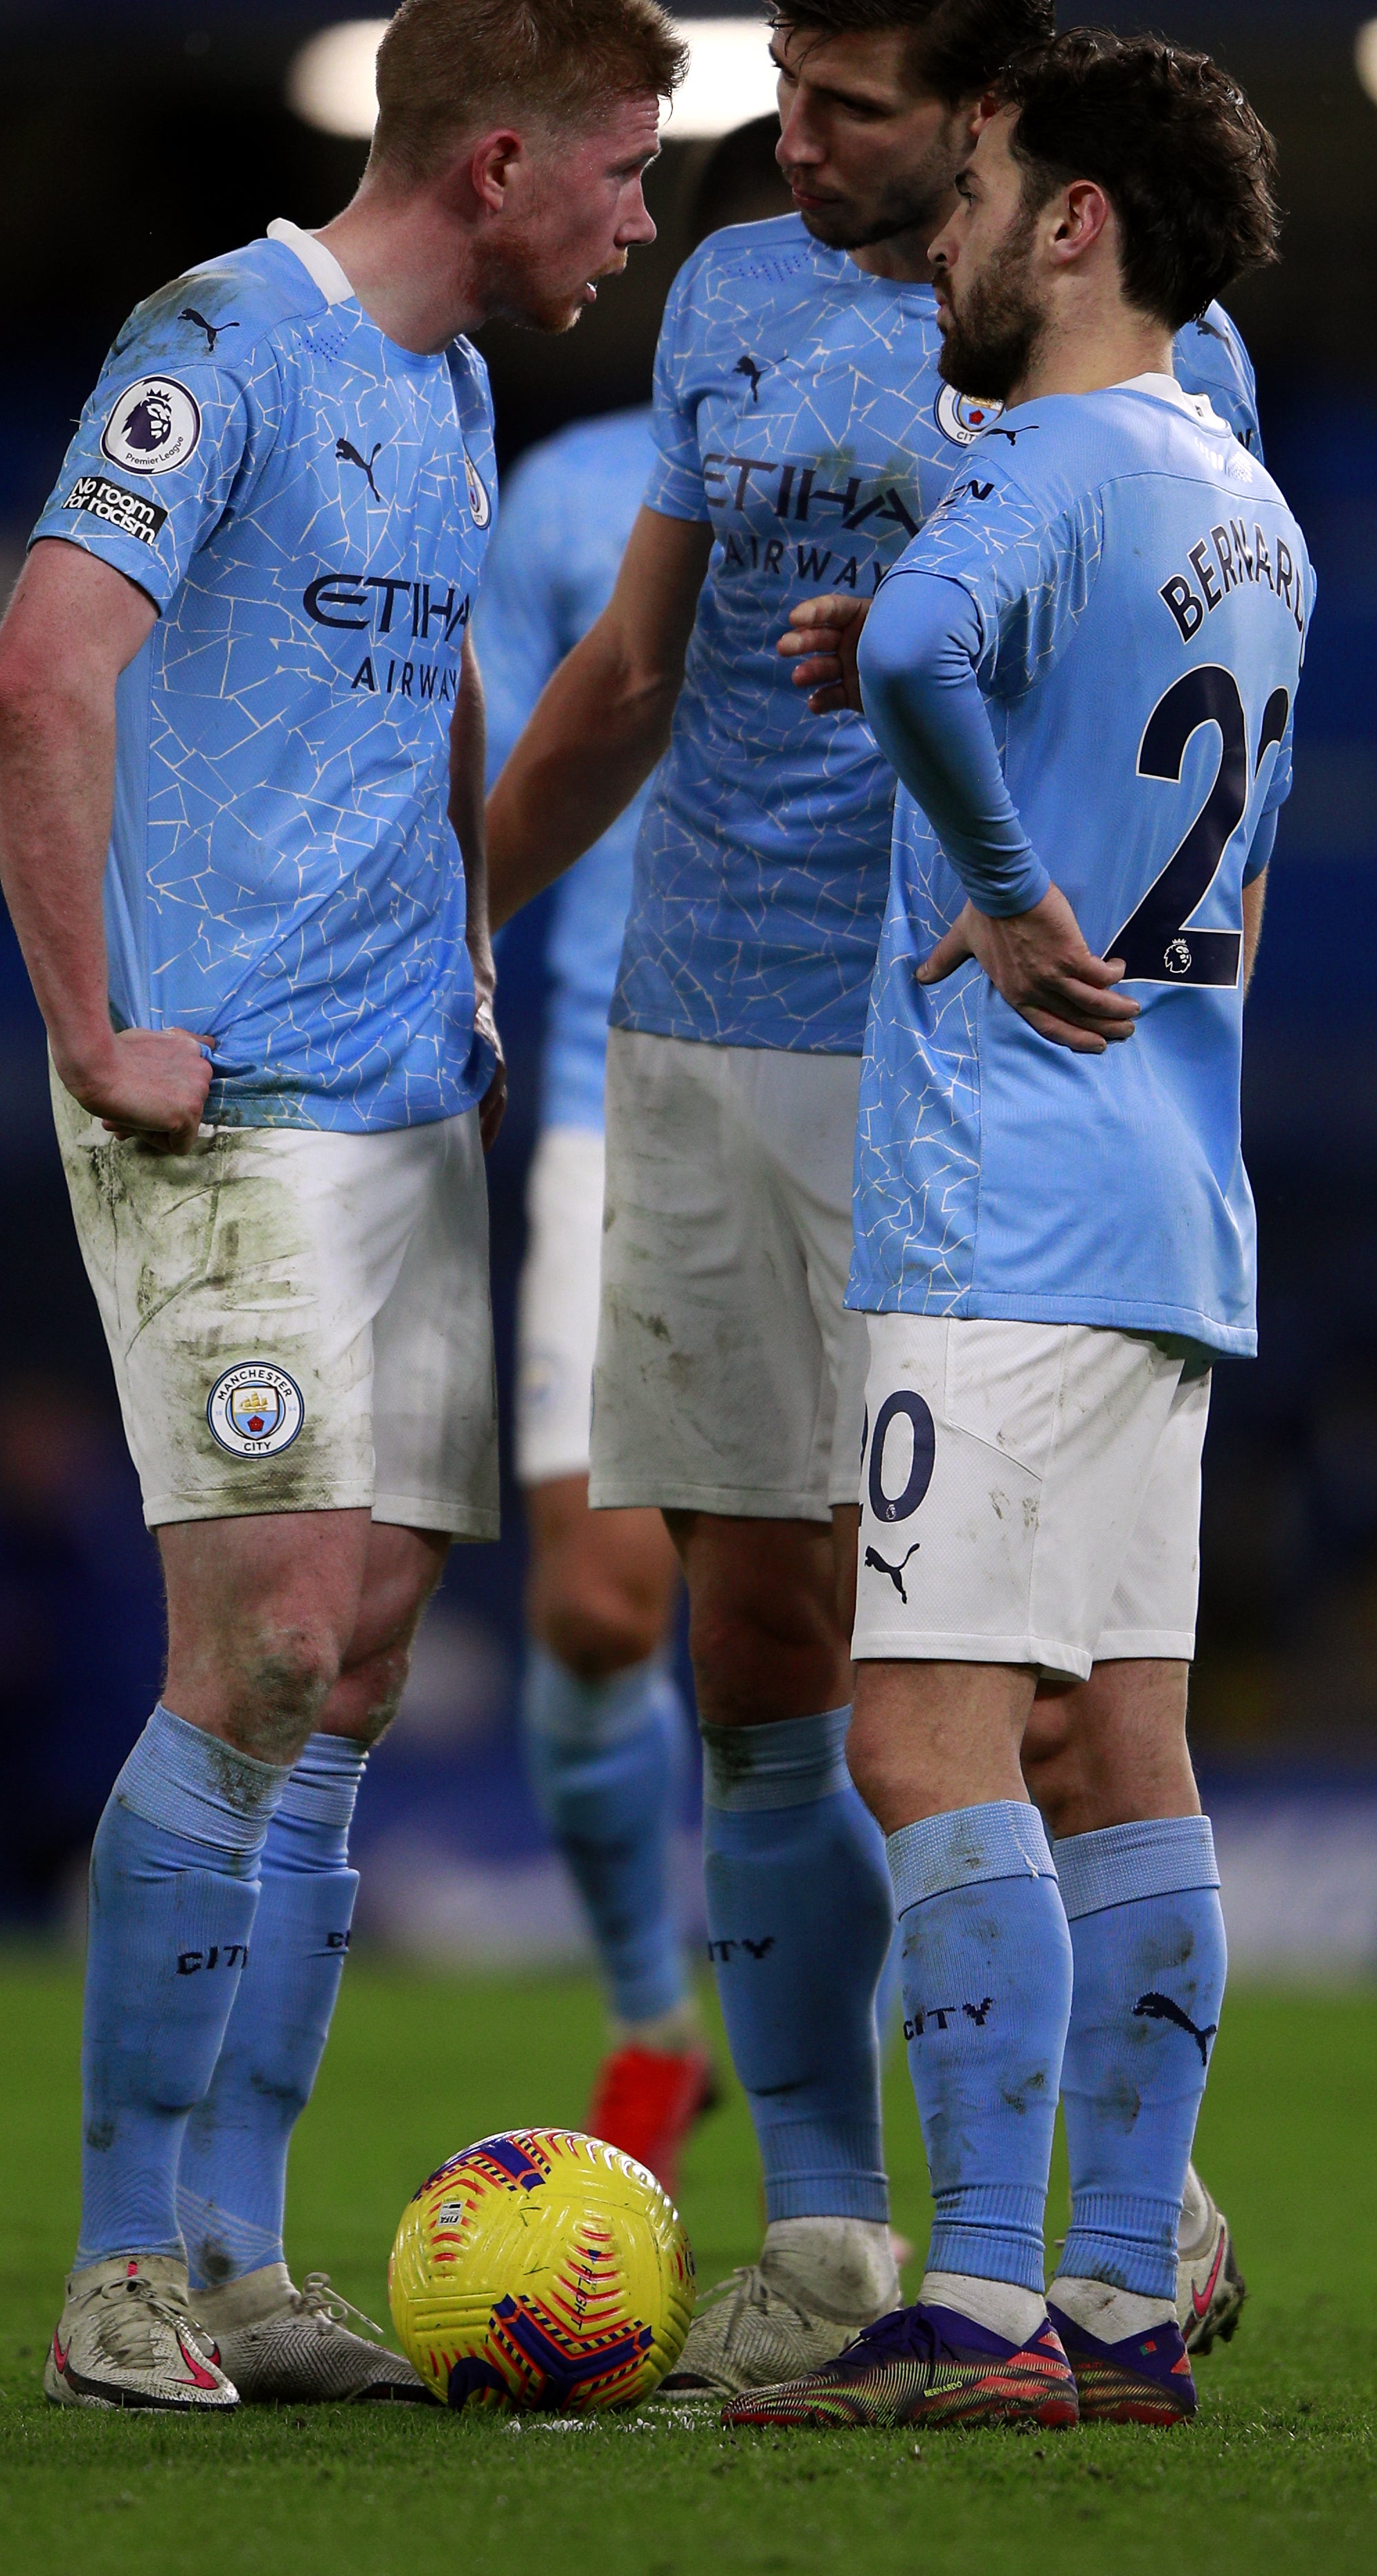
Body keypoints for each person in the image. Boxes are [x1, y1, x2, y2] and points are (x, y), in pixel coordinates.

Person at [487, 0, 1260, 2391]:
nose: (792, 143)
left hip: (963, 1077)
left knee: (1007, 1693)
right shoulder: (724, 296)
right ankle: (831, 2232)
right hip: (711, 1033)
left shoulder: (1141, 350)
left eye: (853, 110)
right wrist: (466, 909)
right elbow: (628, 667)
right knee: (763, 1652)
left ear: (996, 122)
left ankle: (1044, 2235)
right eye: (781, 93)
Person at [0, 0, 684, 2413]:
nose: (636, 223)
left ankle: (244, 2257)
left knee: (359, 1673)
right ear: (498, 157)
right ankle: (111, 2276)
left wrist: (471, 937)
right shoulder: (219, 344)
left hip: (410, 1097)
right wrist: (96, 1025)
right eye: (619, 172)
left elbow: (437, 682)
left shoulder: (462, 385)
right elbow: (41, 667)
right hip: (230, 1101)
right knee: (264, 1641)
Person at [721, 28, 1302, 2427]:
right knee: (1132, 1748)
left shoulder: (1044, 452)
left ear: (1075, 222)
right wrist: (960, 712)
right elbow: (1111, 737)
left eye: (972, 203)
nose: (936, 244)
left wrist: (997, 882)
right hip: (1174, 1194)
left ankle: (967, 2307)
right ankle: (1116, 2301)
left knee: (919, 1736)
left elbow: (958, 649)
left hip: (998, 1198)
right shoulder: (1239, 501)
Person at [476, 118, 793, 2192]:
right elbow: (506, 766)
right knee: (602, 1608)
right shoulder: (579, 494)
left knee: (836, 1640)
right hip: (610, 1089)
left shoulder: (967, 464)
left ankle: (857, 2112)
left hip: (862, 1098)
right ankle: (647, 2024)